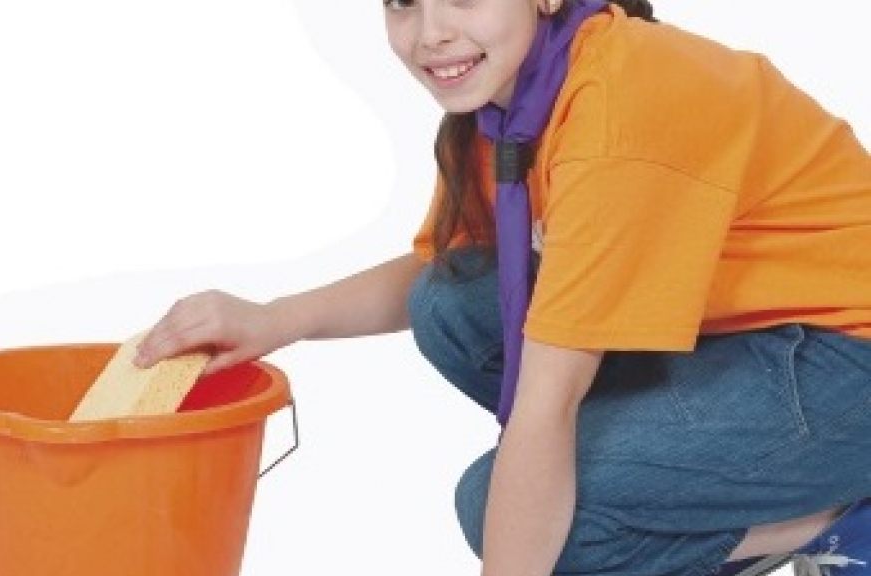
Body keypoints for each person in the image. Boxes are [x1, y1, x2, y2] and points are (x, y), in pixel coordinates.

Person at [133, 1, 871, 575]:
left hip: (845, 359)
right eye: (402, 2)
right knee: (449, 301)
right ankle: (681, 490)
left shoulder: (617, 112)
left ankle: (838, 518)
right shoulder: (519, 100)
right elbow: (448, 268)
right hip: (742, 339)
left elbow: (549, 400)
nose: (430, 34)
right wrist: (276, 319)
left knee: (519, 515)